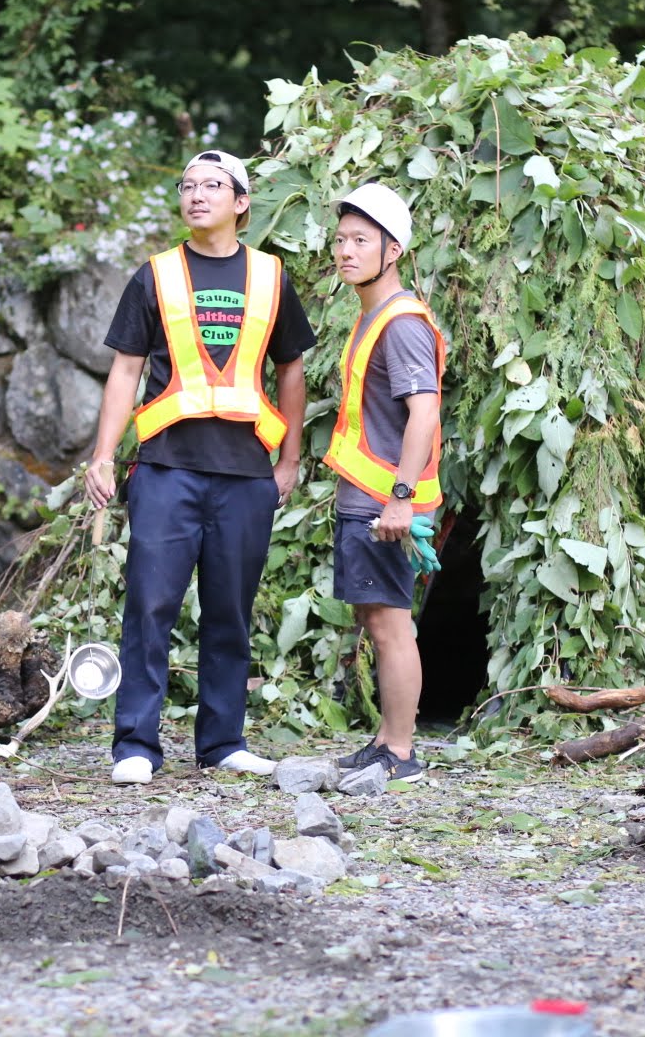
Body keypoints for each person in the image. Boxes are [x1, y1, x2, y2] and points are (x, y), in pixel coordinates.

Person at [83, 149, 316, 785]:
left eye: (213, 185)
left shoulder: (273, 277)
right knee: (150, 605)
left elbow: (291, 367)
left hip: (246, 472)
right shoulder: (153, 275)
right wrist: (103, 456)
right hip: (165, 467)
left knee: (230, 610)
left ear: (242, 203)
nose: (196, 195)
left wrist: (290, 459)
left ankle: (222, 742)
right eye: (188, 185)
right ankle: (135, 743)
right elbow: (125, 369)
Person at [324, 182, 445, 783]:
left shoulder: (400, 324)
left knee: (392, 623)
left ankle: (401, 752)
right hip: (368, 498)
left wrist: (399, 499)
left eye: (360, 241)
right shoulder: (374, 315)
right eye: (341, 239)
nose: (345, 251)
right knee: (377, 620)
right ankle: (386, 742)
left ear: (392, 250)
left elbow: (423, 412)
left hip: (384, 503)